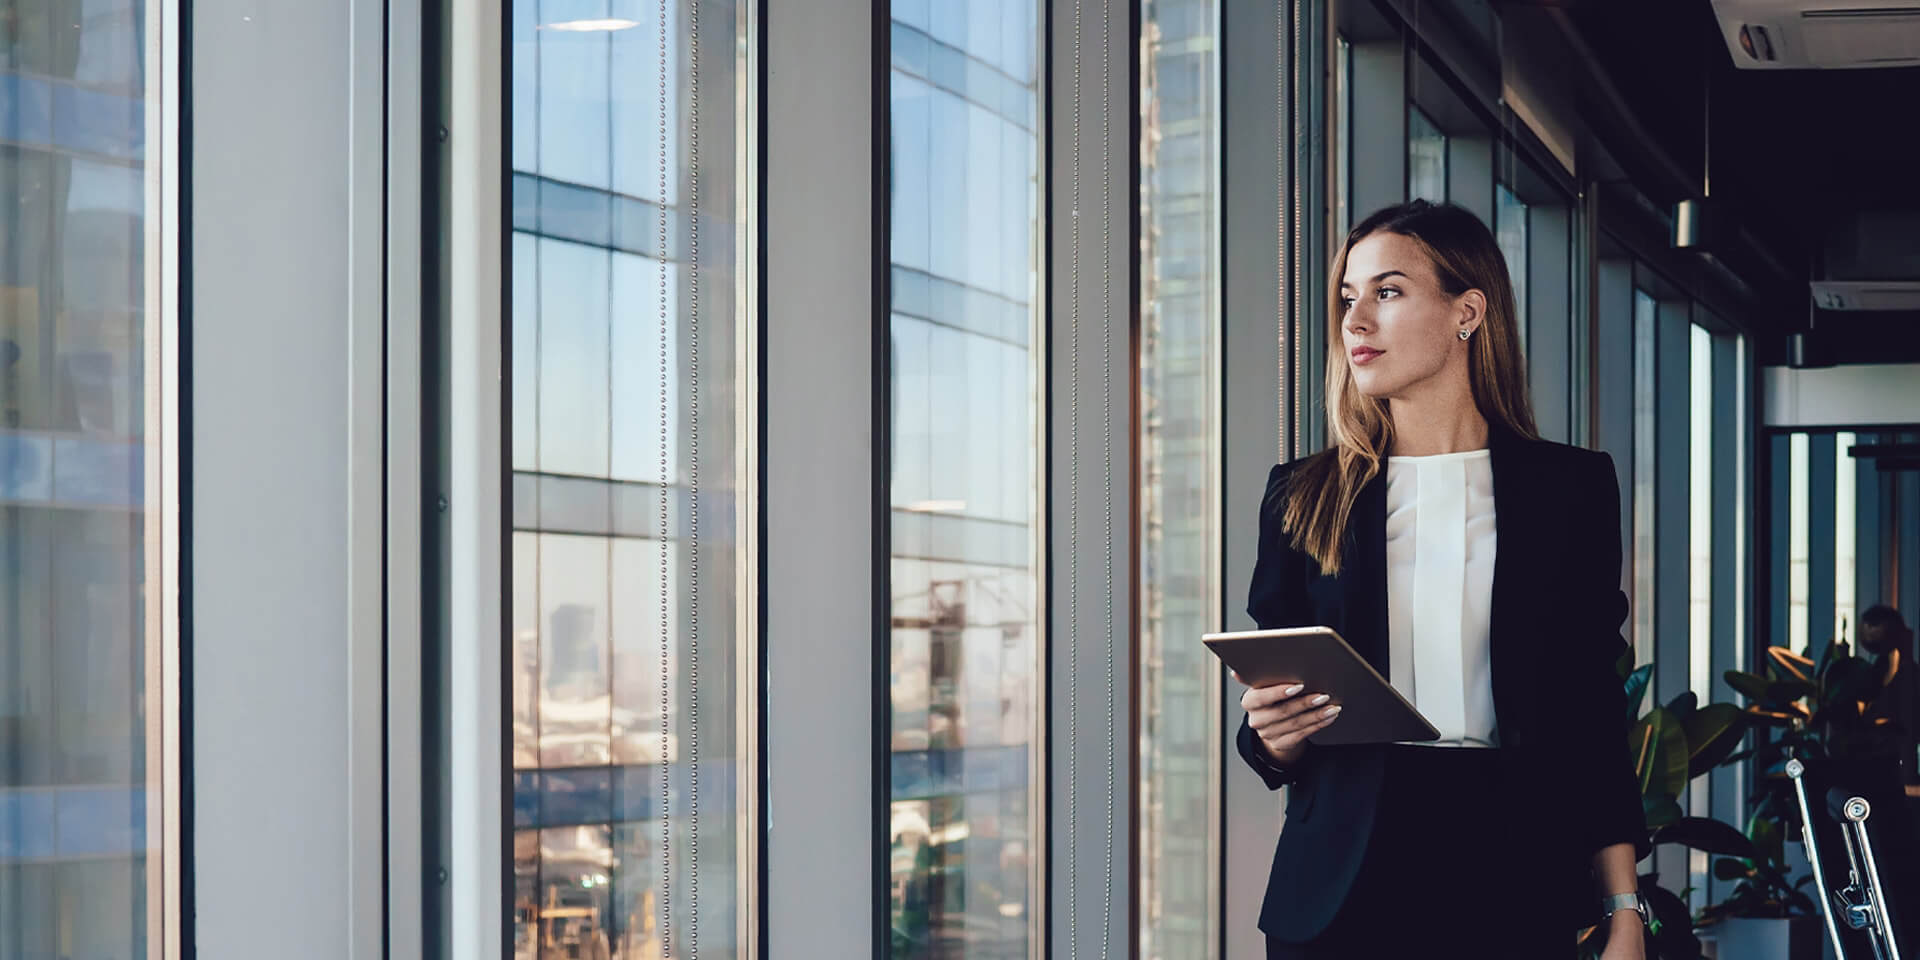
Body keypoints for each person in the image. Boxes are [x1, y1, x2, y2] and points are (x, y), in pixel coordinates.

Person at [1233, 200, 1649, 958]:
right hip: (1340, 883)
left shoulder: (1570, 490)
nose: (1356, 320)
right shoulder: (1301, 494)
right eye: (1347, 297)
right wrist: (1273, 736)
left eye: (1386, 292)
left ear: (1468, 311)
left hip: (1510, 863)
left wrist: (1624, 905)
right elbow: (1269, 711)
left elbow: (1591, 704)